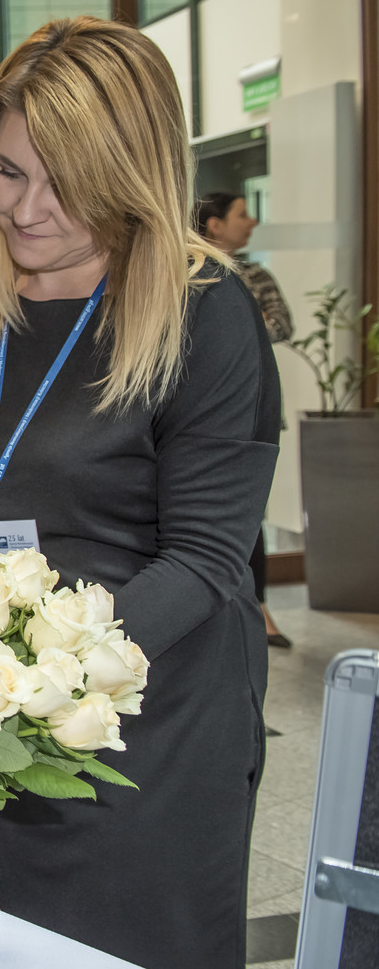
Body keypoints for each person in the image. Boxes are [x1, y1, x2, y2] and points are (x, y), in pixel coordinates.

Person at [0, 17, 279, 969]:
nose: (26, 208)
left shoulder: (205, 315)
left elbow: (204, 560)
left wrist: (44, 677)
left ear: (130, 174)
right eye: (8, 172)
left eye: (65, 182)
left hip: (146, 730)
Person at [196, 190, 295, 648]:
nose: (251, 221)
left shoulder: (253, 274)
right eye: (241, 213)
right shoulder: (184, 268)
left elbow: (281, 324)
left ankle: (259, 608)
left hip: (247, 407)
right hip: (195, 412)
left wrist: (235, 324)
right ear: (215, 224)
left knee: (249, 516)